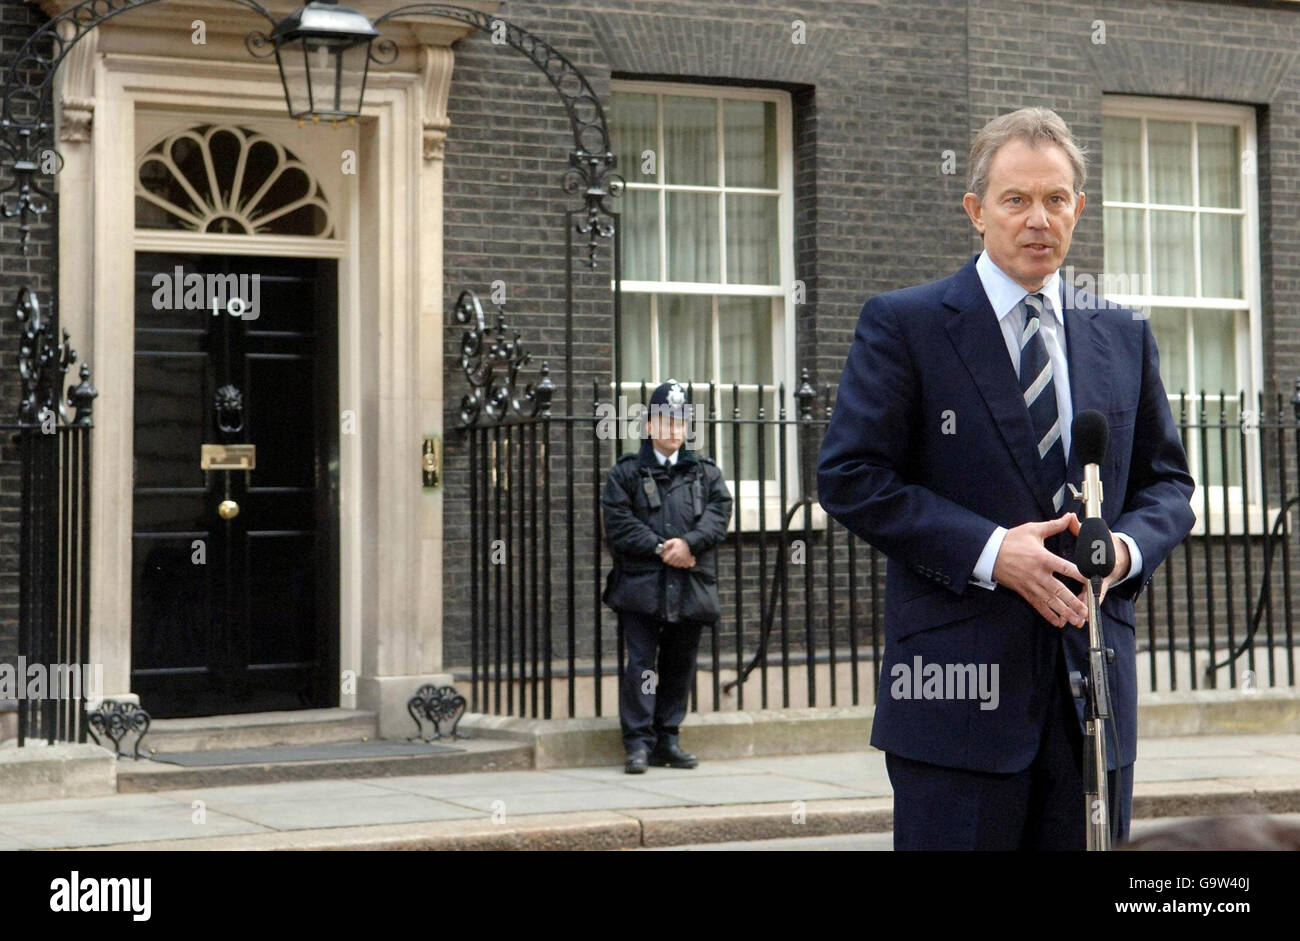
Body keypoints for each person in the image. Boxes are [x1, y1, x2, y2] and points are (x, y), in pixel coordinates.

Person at [817, 107, 1196, 850]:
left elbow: (1169, 486)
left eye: (1056, 199)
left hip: (1093, 702)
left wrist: (1122, 549)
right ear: (975, 211)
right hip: (957, 709)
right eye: (1015, 199)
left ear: (1078, 210)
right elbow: (851, 475)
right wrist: (993, 552)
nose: (1038, 219)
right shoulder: (906, 324)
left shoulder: (1122, 335)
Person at [600, 380, 733, 774]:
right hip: (641, 588)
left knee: (679, 664)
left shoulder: (705, 474)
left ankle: (668, 739)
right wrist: (663, 549)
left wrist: (689, 543)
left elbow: (719, 515)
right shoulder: (625, 473)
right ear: (649, 426)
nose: (674, 430)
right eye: (665, 421)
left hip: (689, 587)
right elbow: (618, 523)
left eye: (680, 422)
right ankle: (638, 743)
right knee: (642, 666)